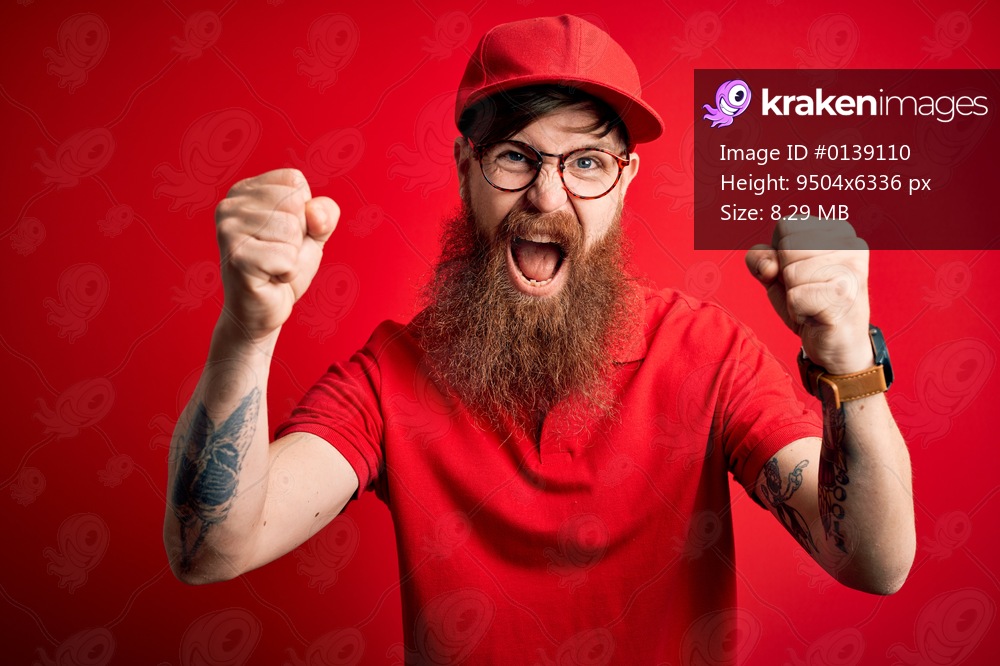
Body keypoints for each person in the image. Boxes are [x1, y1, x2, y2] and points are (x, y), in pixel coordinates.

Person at [164, 15, 915, 663]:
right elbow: (211, 549)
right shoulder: (392, 374)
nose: (547, 197)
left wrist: (847, 353)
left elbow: (872, 560)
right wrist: (247, 331)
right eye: (516, 156)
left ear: (624, 182)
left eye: (586, 163)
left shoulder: (706, 351)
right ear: (467, 169)